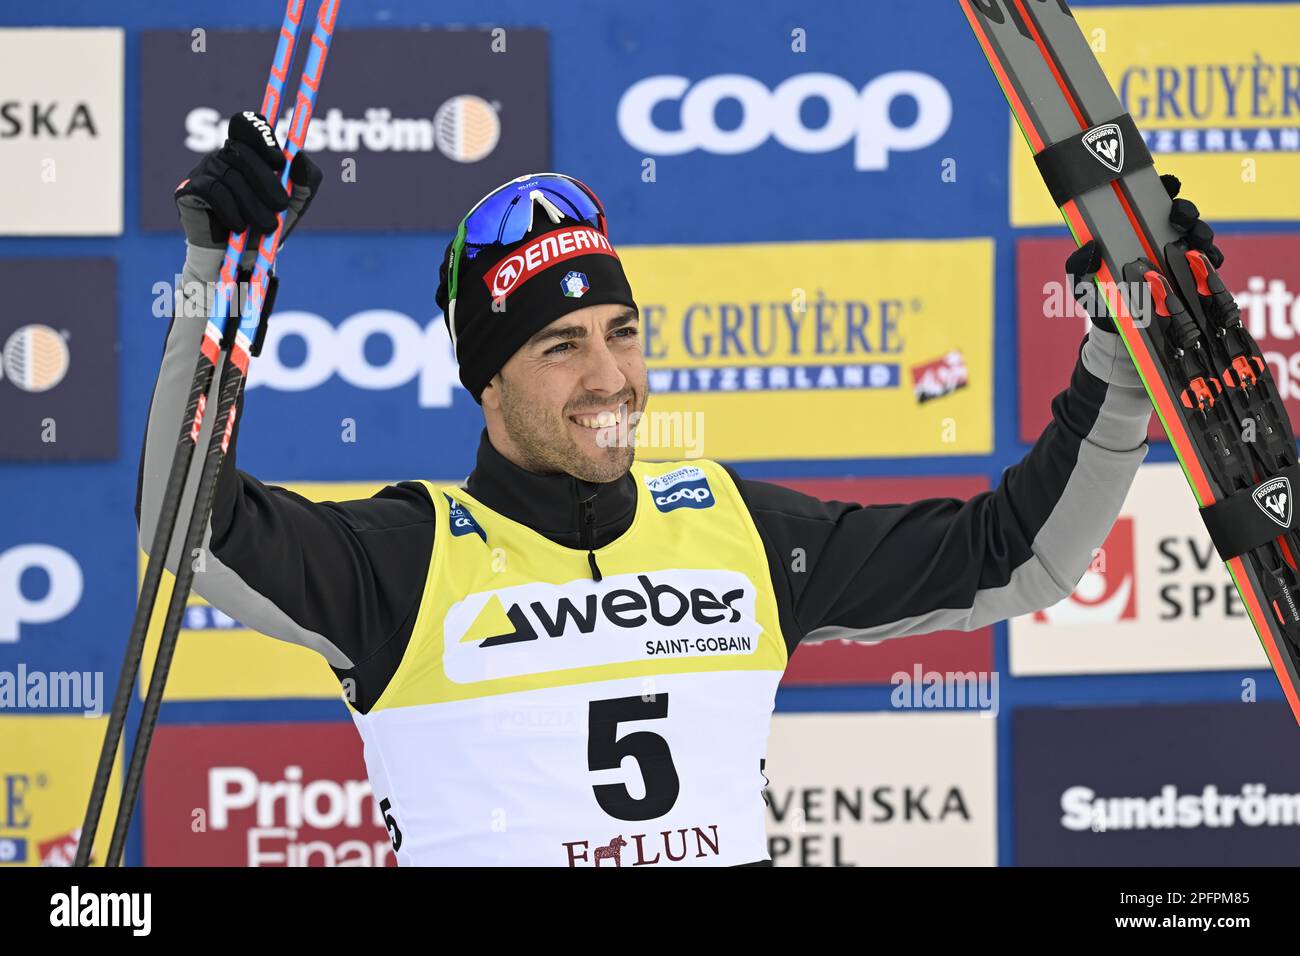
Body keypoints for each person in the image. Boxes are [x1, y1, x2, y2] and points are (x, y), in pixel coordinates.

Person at [139, 112, 1218, 866]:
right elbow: (186, 522)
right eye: (560, 346)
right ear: (487, 378)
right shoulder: (404, 555)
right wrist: (213, 276)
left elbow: (1015, 554)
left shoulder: (737, 528)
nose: (608, 378)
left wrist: (1115, 365)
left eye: (622, 332)